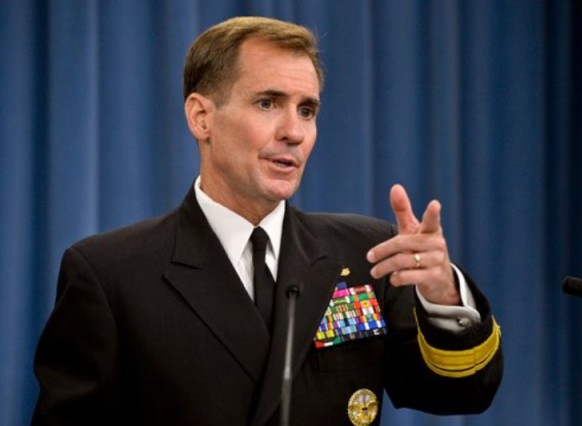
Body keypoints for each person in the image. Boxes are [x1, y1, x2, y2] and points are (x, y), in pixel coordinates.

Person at [32, 16, 502, 426]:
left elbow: (462, 395)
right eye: (267, 103)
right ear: (201, 117)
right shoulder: (111, 274)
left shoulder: (367, 254)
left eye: (306, 110)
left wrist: (442, 297)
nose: (293, 132)